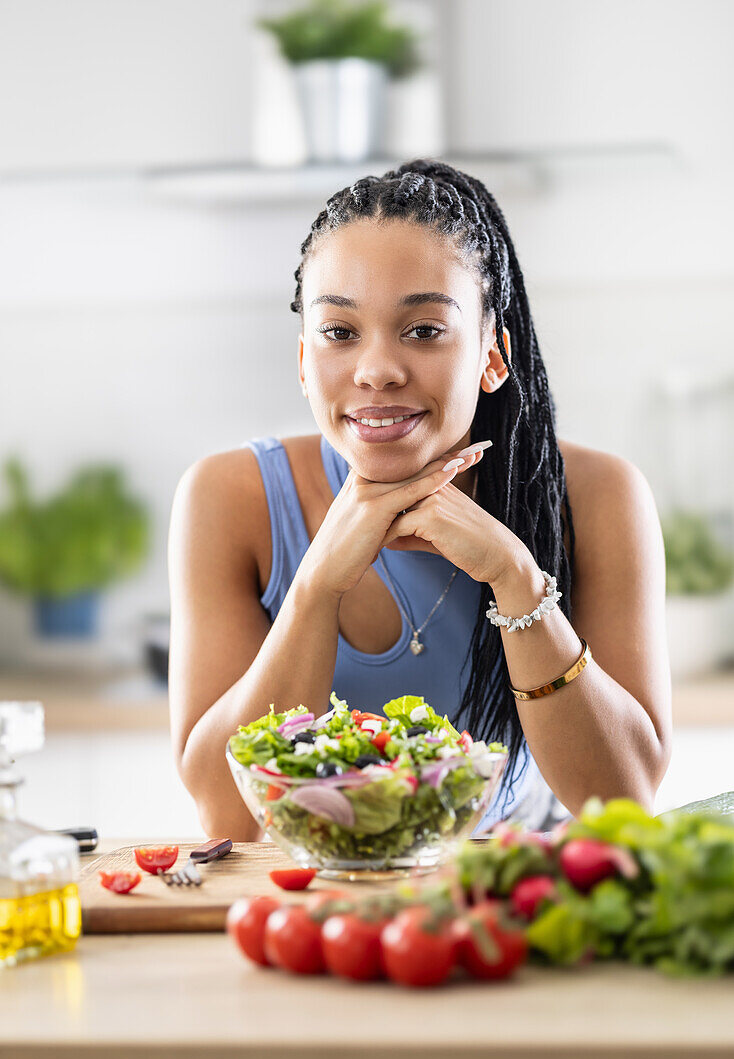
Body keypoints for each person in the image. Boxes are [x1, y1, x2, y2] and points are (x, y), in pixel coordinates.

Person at [167, 159, 673, 843]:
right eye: (340, 333)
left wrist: (517, 579)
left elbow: (621, 799)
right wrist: (317, 584)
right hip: (302, 910)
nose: (377, 369)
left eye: (425, 330)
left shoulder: (598, 497)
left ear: (493, 355)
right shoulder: (229, 498)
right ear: (303, 362)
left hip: (501, 906)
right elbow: (227, 818)